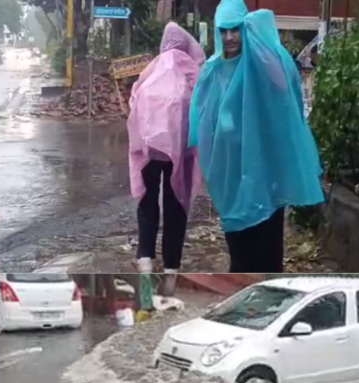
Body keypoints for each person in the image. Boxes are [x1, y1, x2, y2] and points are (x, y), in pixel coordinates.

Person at [189, 0, 325, 273]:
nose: (229, 37)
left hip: (266, 174)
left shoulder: (264, 63)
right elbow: (200, 119)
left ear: (245, 28)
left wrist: (263, 43)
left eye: (235, 29)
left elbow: (286, 93)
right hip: (230, 173)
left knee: (268, 246)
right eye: (223, 30)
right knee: (239, 248)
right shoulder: (213, 70)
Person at [128, 22, 206, 274]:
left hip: (149, 149)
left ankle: (145, 258)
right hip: (179, 151)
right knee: (176, 202)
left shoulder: (152, 69)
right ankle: (171, 263)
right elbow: (202, 105)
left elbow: (134, 101)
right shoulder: (190, 70)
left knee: (148, 199)